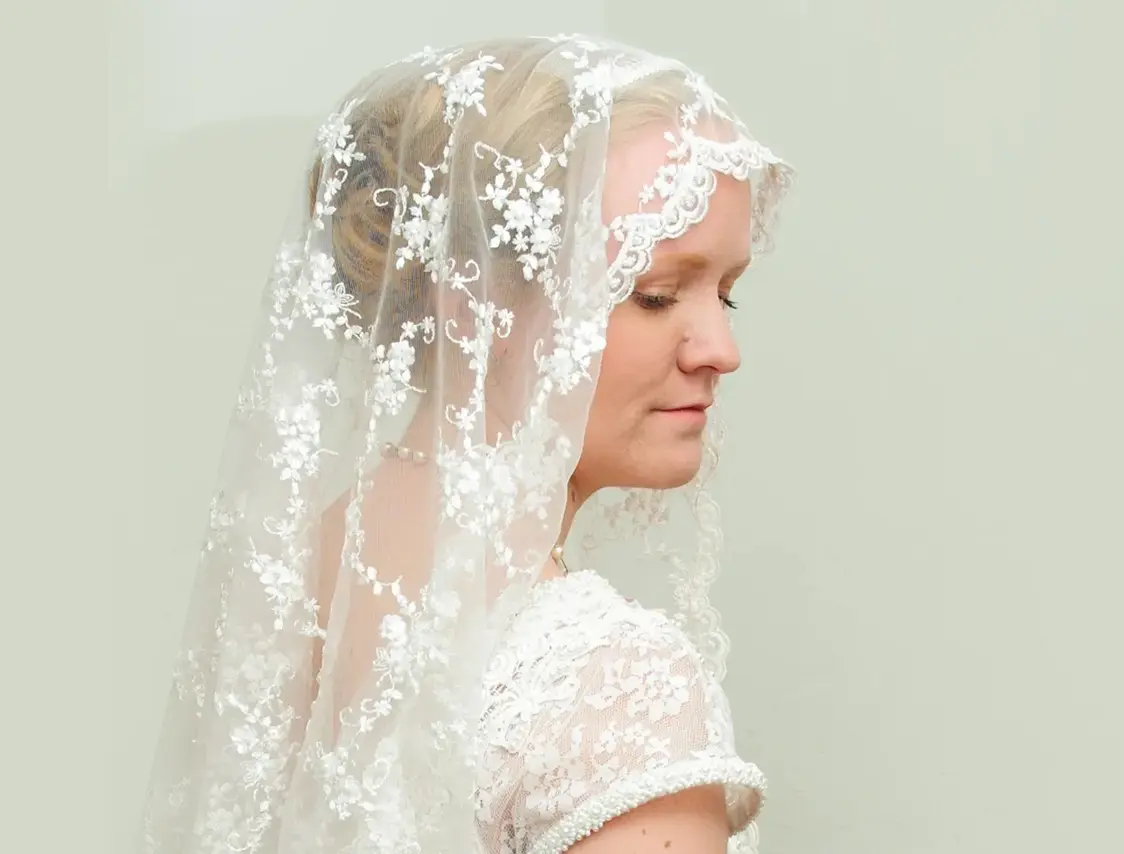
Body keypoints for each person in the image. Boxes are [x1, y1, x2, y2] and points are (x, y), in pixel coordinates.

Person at [140, 34, 794, 854]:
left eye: (726, 296)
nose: (720, 350)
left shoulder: (284, 584)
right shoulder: (614, 687)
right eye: (655, 294)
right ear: (470, 298)